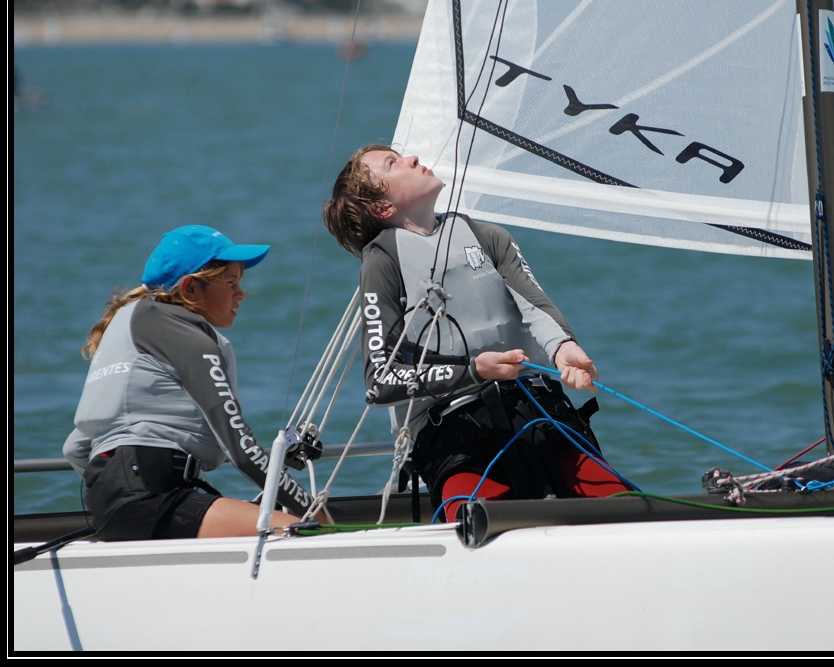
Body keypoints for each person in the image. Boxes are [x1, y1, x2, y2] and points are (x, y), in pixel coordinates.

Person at [323, 145, 631, 522]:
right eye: (394, 163)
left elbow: (533, 306)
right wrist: (474, 371)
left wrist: (563, 348)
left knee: (625, 507)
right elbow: (381, 380)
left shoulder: (486, 236)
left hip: (536, 416)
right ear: (382, 208)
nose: (413, 159)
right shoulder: (382, 261)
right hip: (455, 439)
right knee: (474, 521)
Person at [63, 225, 320, 540]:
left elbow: (75, 447)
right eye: (230, 282)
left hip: (113, 501)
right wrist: (314, 510)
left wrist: (120, 493)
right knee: (303, 528)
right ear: (189, 289)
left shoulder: (127, 328)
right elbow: (240, 448)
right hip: (155, 496)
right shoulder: (184, 334)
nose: (241, 294)